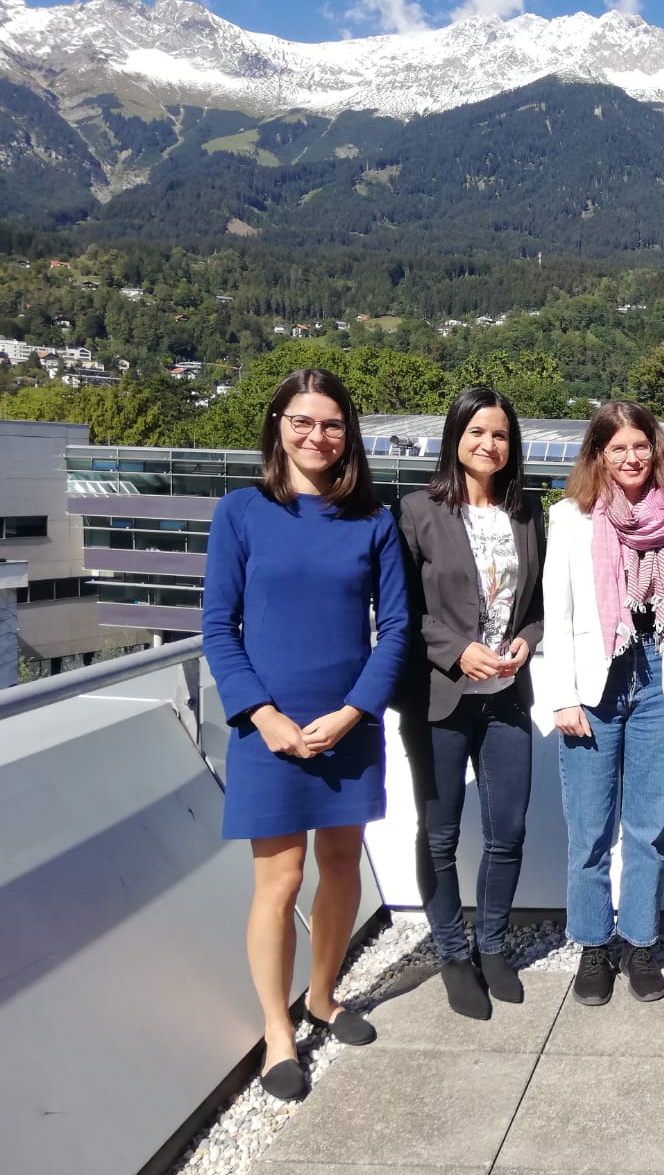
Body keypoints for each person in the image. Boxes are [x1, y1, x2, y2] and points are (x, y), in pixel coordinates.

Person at [201, 368, 409, 1101]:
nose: (316, 435)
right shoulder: (240, 512)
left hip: (347, 722)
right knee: (280, 880)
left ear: (347, 435)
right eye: (302, 421)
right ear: (277, 426)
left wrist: (354, 711)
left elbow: (397, 632)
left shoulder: (374, 520)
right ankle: (278, 1033)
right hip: (270, 728)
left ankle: (323, 996)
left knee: (343, 865)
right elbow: (217, 627)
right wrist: (263, 716)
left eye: (330, 424)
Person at [542, 401, 664, 1005]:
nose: (631, 458)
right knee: (588, 827)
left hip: (658, 674)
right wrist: (562, 696)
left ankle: (639, 943)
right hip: (593, 682)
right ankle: (592, 945)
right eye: (618, 448)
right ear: (599, 455)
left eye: (641, 446)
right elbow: (557, 616)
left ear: (654, 451)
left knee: (648, 823)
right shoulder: (570, 519)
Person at [397, 387, 545, 1021]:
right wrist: (456, 651)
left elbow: (537, 609)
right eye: (479, 432)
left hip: (508, 697)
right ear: (455, 436)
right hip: (440, 698)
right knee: (441, 834)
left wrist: (525, 642)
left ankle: (491, 946)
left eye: (502, 435)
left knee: (507, 833)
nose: (490, 444)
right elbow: (401, 613)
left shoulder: (527, 513)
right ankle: (452, 953)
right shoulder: (416, 513)